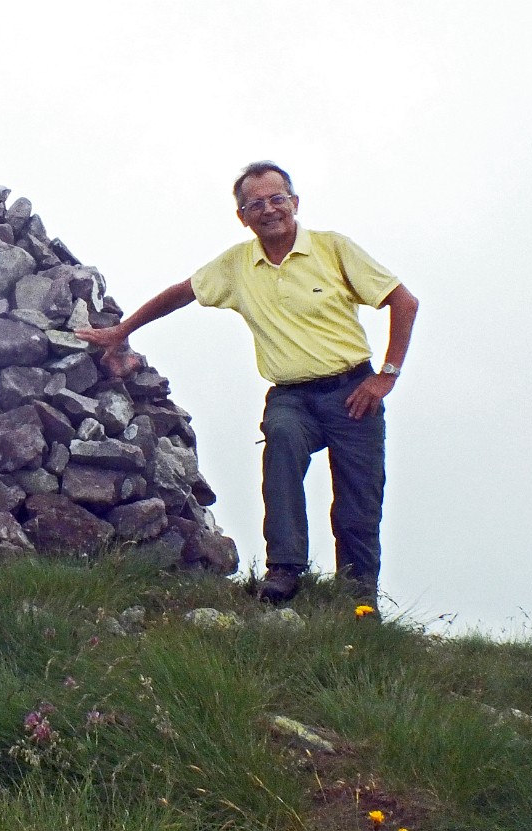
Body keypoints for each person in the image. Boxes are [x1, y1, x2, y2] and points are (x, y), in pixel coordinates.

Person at [77, 161, 418, 603]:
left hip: (353, 390)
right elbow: (180, 293)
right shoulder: (237, 266)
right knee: (280, 440)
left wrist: (385, 377)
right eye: (255, 204)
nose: (269, 209)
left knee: (358, 499)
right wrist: (121, 332)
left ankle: (358, 598)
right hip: (291, 396)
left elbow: (403, 302)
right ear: (242, 216)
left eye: (278, 199)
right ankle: (284, 571)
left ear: (295, 203)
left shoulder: (333, 249)